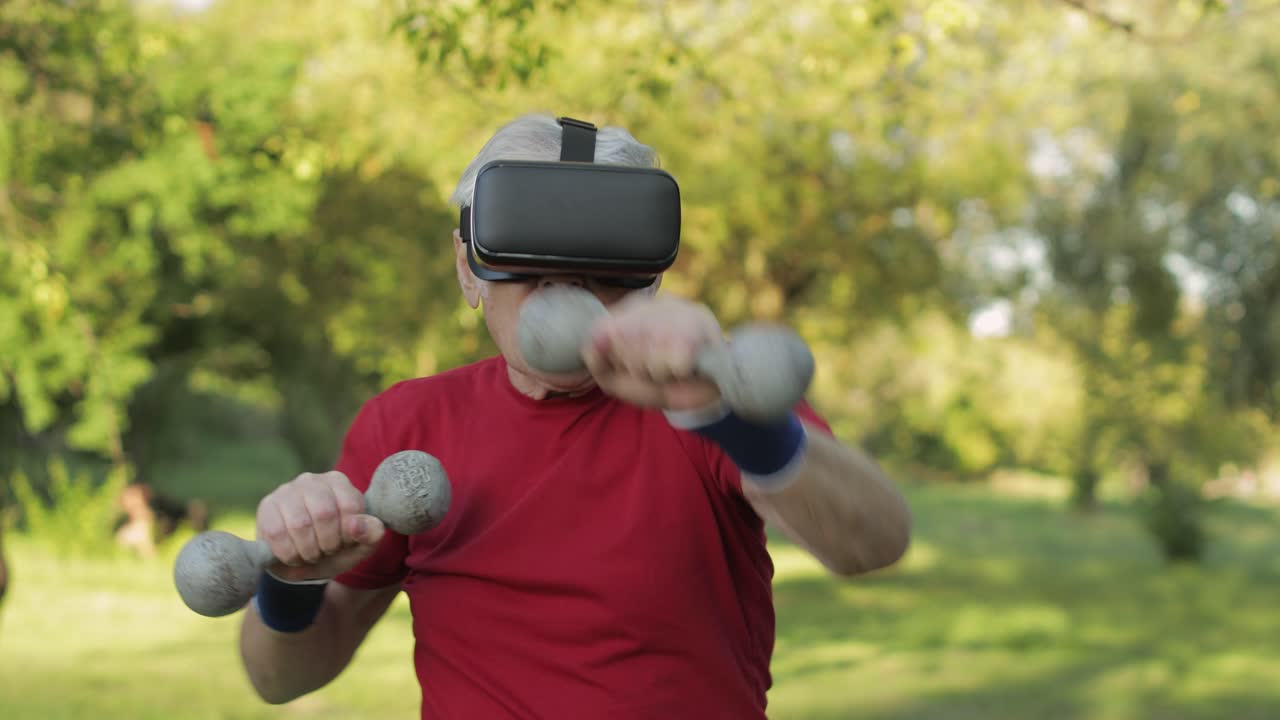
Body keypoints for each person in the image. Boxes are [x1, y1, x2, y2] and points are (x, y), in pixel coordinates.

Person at [237, 114, 911, 719]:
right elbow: (282, 678)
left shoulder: (712, 394)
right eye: (525, 262)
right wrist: (292, 582)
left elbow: (874, 543)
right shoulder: (407, 425)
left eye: (600, 267)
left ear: (647, 274)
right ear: (467, 269)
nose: (564, 288)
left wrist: (718, 415)